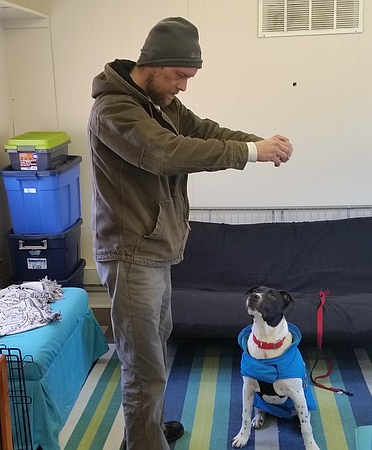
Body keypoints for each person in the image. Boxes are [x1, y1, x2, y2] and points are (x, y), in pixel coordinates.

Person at [87, 16, 294, 450]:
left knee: (154, 354)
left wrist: (260, 142)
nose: (184, 86)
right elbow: (167, 153)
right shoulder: (114, 108)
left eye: (189, 77)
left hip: (155, 248)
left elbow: (203, 132)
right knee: (142, 367)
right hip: (129, 253)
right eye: (180, 75)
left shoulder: (157, 101)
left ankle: (146, 432)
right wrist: (251, 153)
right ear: (154, 63)